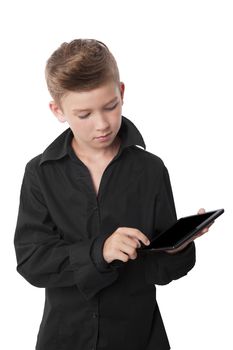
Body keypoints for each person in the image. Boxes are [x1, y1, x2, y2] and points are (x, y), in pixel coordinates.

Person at [14, 38, 211, 350]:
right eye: (84, 114)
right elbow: (32, 262)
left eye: (110, 107)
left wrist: (175, 250)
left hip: (138, 338)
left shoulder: (151, 170)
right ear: (58, 110)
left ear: (121, 93)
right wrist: (99, 251)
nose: (102, 124)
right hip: (65, 339)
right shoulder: (40, 173)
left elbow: (159, 273)